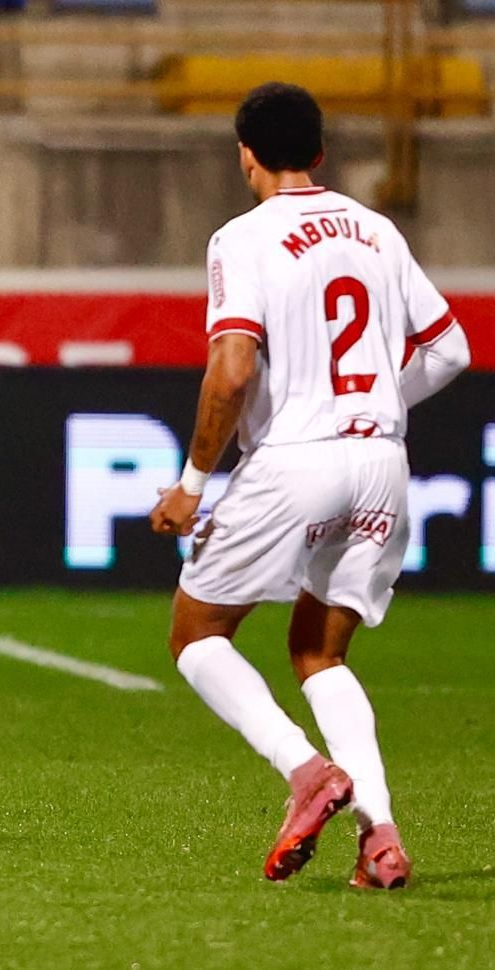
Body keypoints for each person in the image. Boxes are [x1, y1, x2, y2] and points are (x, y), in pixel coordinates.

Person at [148, 83, 471, 889]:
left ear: (245, 154)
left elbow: (230, 371)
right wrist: (373, 406)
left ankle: (304, 771)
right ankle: (382, 835)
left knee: (196, 635)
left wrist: (192, 483)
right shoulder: (377, 231)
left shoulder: (242, 238)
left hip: (293, 459)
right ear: (321, 155)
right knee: (319, 652)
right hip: (381, 463)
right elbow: (450, 349)